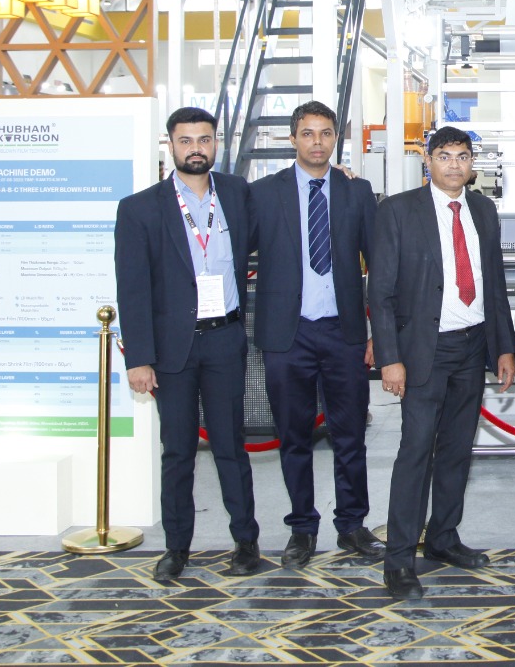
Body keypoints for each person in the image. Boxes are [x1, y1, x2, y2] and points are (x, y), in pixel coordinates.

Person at [368, 126, 515, 600]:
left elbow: (494, 284)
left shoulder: (483, 210)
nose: (454, 165)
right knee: (416, 451)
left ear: (473, 164)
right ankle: (399, 560)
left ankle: (443, 538)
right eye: (445, 156)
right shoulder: (398, 210)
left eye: (463, 156)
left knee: (456, 450)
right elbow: (380, 292)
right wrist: (389, 359)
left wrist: (504, 347)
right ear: (428, 161)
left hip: (472, 347)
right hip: (423, 351)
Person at [114, 107, 262, 581]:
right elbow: (132, 289)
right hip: (172, 350)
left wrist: (336, 175)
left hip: (225, 340)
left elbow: (283, 211)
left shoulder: (238, 194)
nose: (195, 148)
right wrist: (139, 358)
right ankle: (176, 548)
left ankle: (246, 542)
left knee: (230, 447)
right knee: (177, 451)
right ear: (171, 145)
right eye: (185, 141)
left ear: (216, 143)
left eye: (204, 139)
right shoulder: (139, 208)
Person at [249, 101, 383, 567]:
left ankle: (352, 525)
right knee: (293, 437)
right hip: (287, 336)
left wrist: (378, 333)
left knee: (350, 435)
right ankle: (302, 528)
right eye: (307, 133)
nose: (317, 142)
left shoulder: (356, 191)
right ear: (293, 139)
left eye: (326, 133)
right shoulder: (263, 193)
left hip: (344, 332)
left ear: (335, 139)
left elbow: (379, 265)